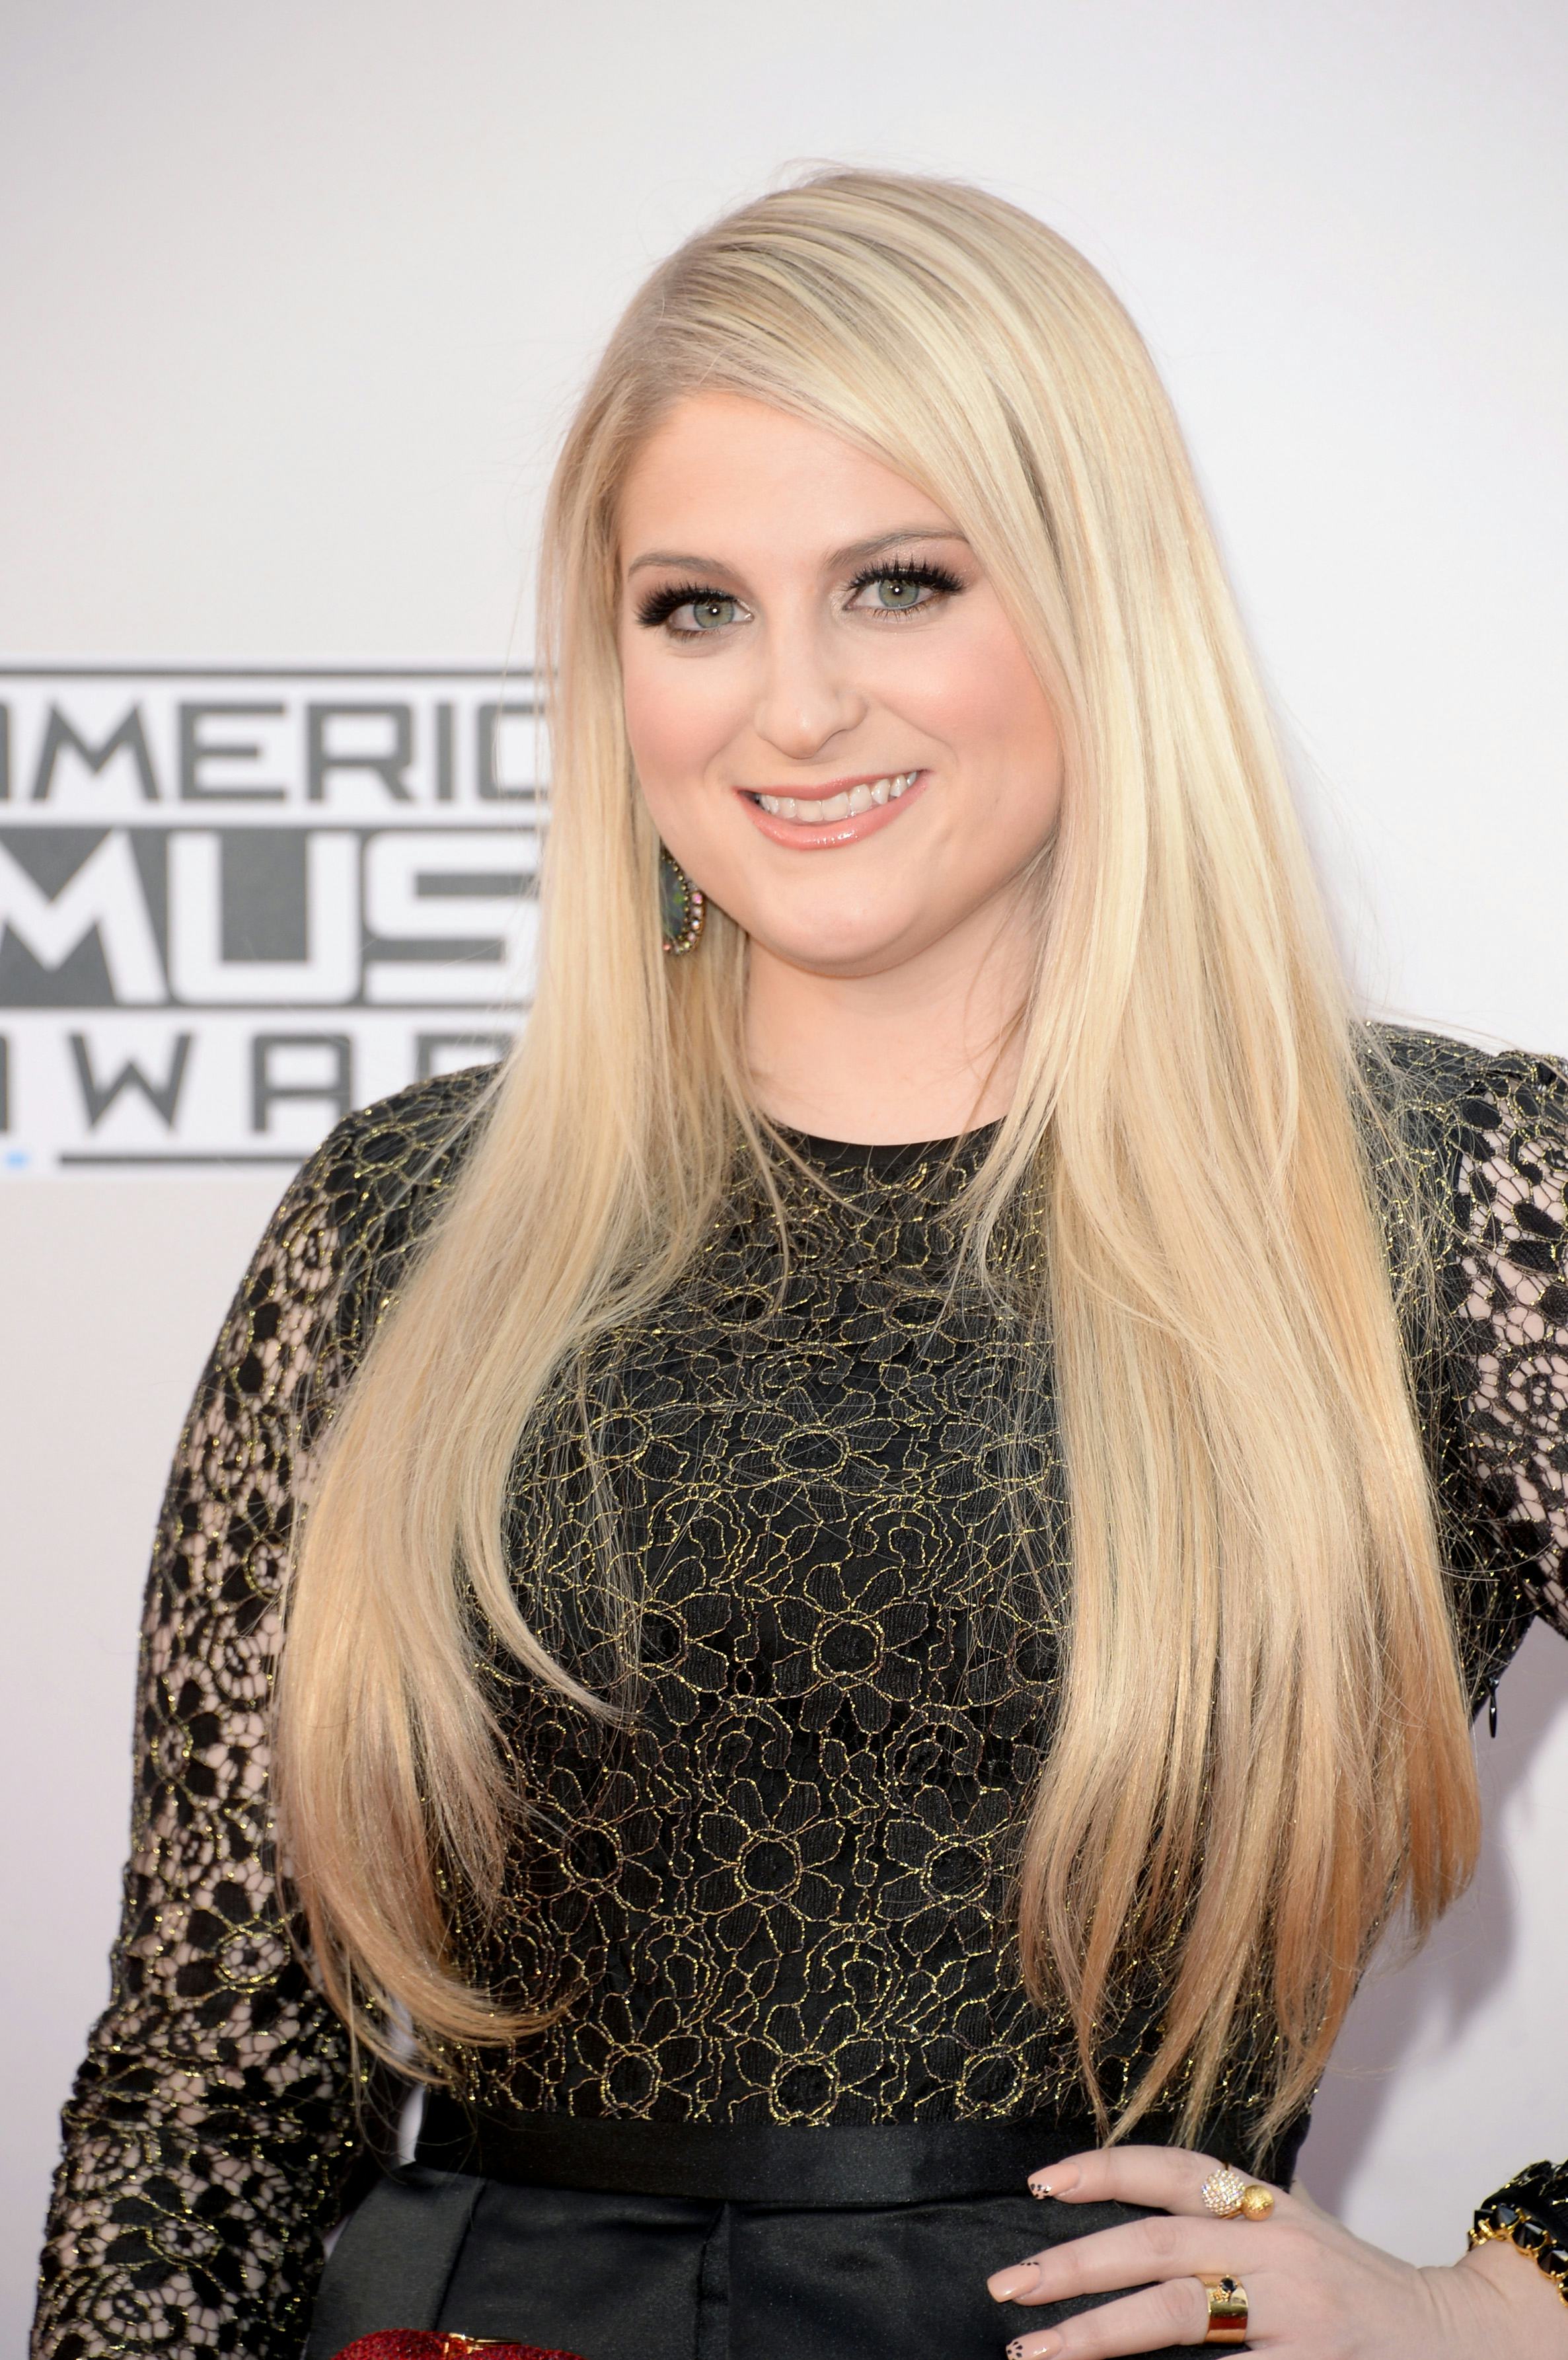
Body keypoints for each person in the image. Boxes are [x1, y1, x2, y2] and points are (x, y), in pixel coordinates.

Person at [32, 169, 1568, 2360]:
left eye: (898, 582)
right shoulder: (401, 1222)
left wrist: (1490, 2305)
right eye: (697, 608)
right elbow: (212, 2090)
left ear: (1099, 602)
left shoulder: (1439, 1194)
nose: (795, 706)